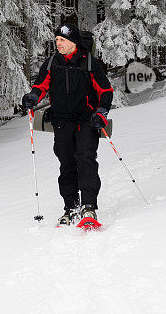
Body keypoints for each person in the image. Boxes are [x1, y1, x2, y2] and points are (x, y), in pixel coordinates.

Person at [21, 24, 113, 225]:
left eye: (62, 40)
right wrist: (33, 97)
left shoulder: (90, 63)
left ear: (73, 42)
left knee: (86, 159)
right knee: (67, 163)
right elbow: (41, 85)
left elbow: (105, 91)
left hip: (86, 121)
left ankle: (89, 207)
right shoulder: (52, 62)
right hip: (61, 121)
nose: (58, 43)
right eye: (56, 40)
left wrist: (101, 112)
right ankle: (70, 207)